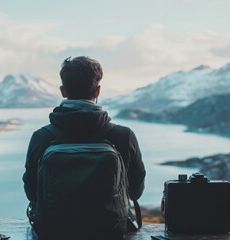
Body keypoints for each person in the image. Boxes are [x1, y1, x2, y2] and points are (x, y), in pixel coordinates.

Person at [23, 56, 146, 239]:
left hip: (55, 232)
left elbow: (32, 193)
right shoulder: (123, 136)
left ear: (63, 91)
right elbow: (136, 190)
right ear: (97, 91)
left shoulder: (41, 137)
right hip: (109, 232)